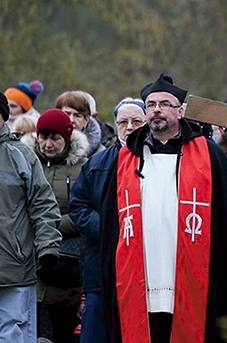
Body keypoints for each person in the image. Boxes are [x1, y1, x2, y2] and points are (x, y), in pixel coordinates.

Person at [100, 74, 227, 342]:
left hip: (193, 274)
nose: (156, 110)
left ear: (180, 111)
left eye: (164, 104)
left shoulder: (209, 154)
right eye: (150, 105)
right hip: (139, 273)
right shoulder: (125, 158)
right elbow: (111, 224)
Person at [0, 86, 61, 343]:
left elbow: (43, 206)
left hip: (14, 269)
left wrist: (48, 248)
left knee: (15, 337)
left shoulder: (22, 155)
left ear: (4, 116)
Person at [69, 97, 146, 342]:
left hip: (145, 268)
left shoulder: (158, 161)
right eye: (123, 122)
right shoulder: (97, 163)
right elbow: (78, 206)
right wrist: (108, 229)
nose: (130, 127)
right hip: (101, 265)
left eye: (136, 121)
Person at [24, 109, 89, 343]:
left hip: (68, 263)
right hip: (31, 260)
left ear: (67, 139)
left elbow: (85, 211)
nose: (48, 144)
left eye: (55, 138)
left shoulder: (83, 168)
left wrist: (47, 225)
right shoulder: (25, 163)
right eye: (44, 137)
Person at [56, 90, 106, 157]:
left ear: (86, 120)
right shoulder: (42, 149)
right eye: (67, 114)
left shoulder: (101, 155)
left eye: (77, 116)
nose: (71, 120)